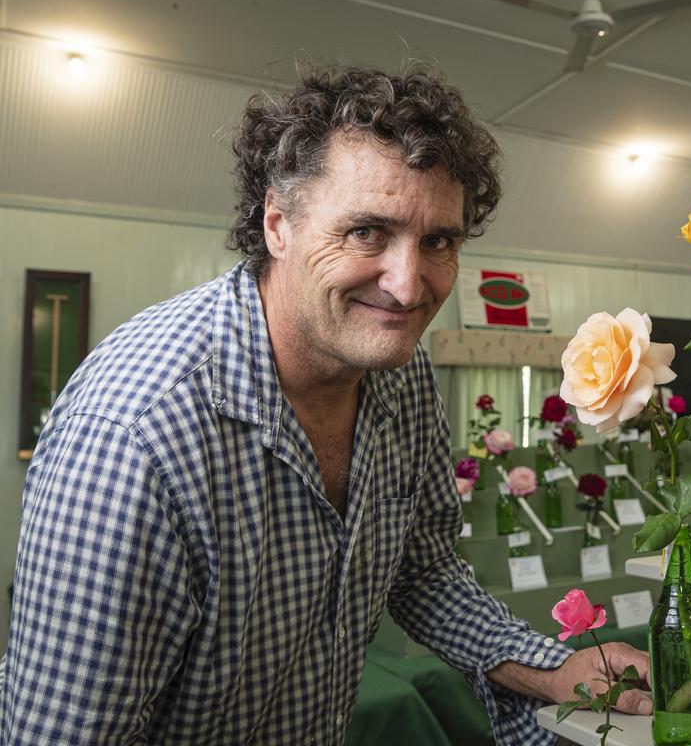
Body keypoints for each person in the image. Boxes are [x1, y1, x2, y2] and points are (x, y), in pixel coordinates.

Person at [0, 64, 650, 744]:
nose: (407, 287)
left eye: (438, 242)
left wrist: (554, 668)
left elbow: (422, 573)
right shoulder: (139, 431)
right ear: (277, 224)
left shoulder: (399, 370)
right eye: (368, 232)